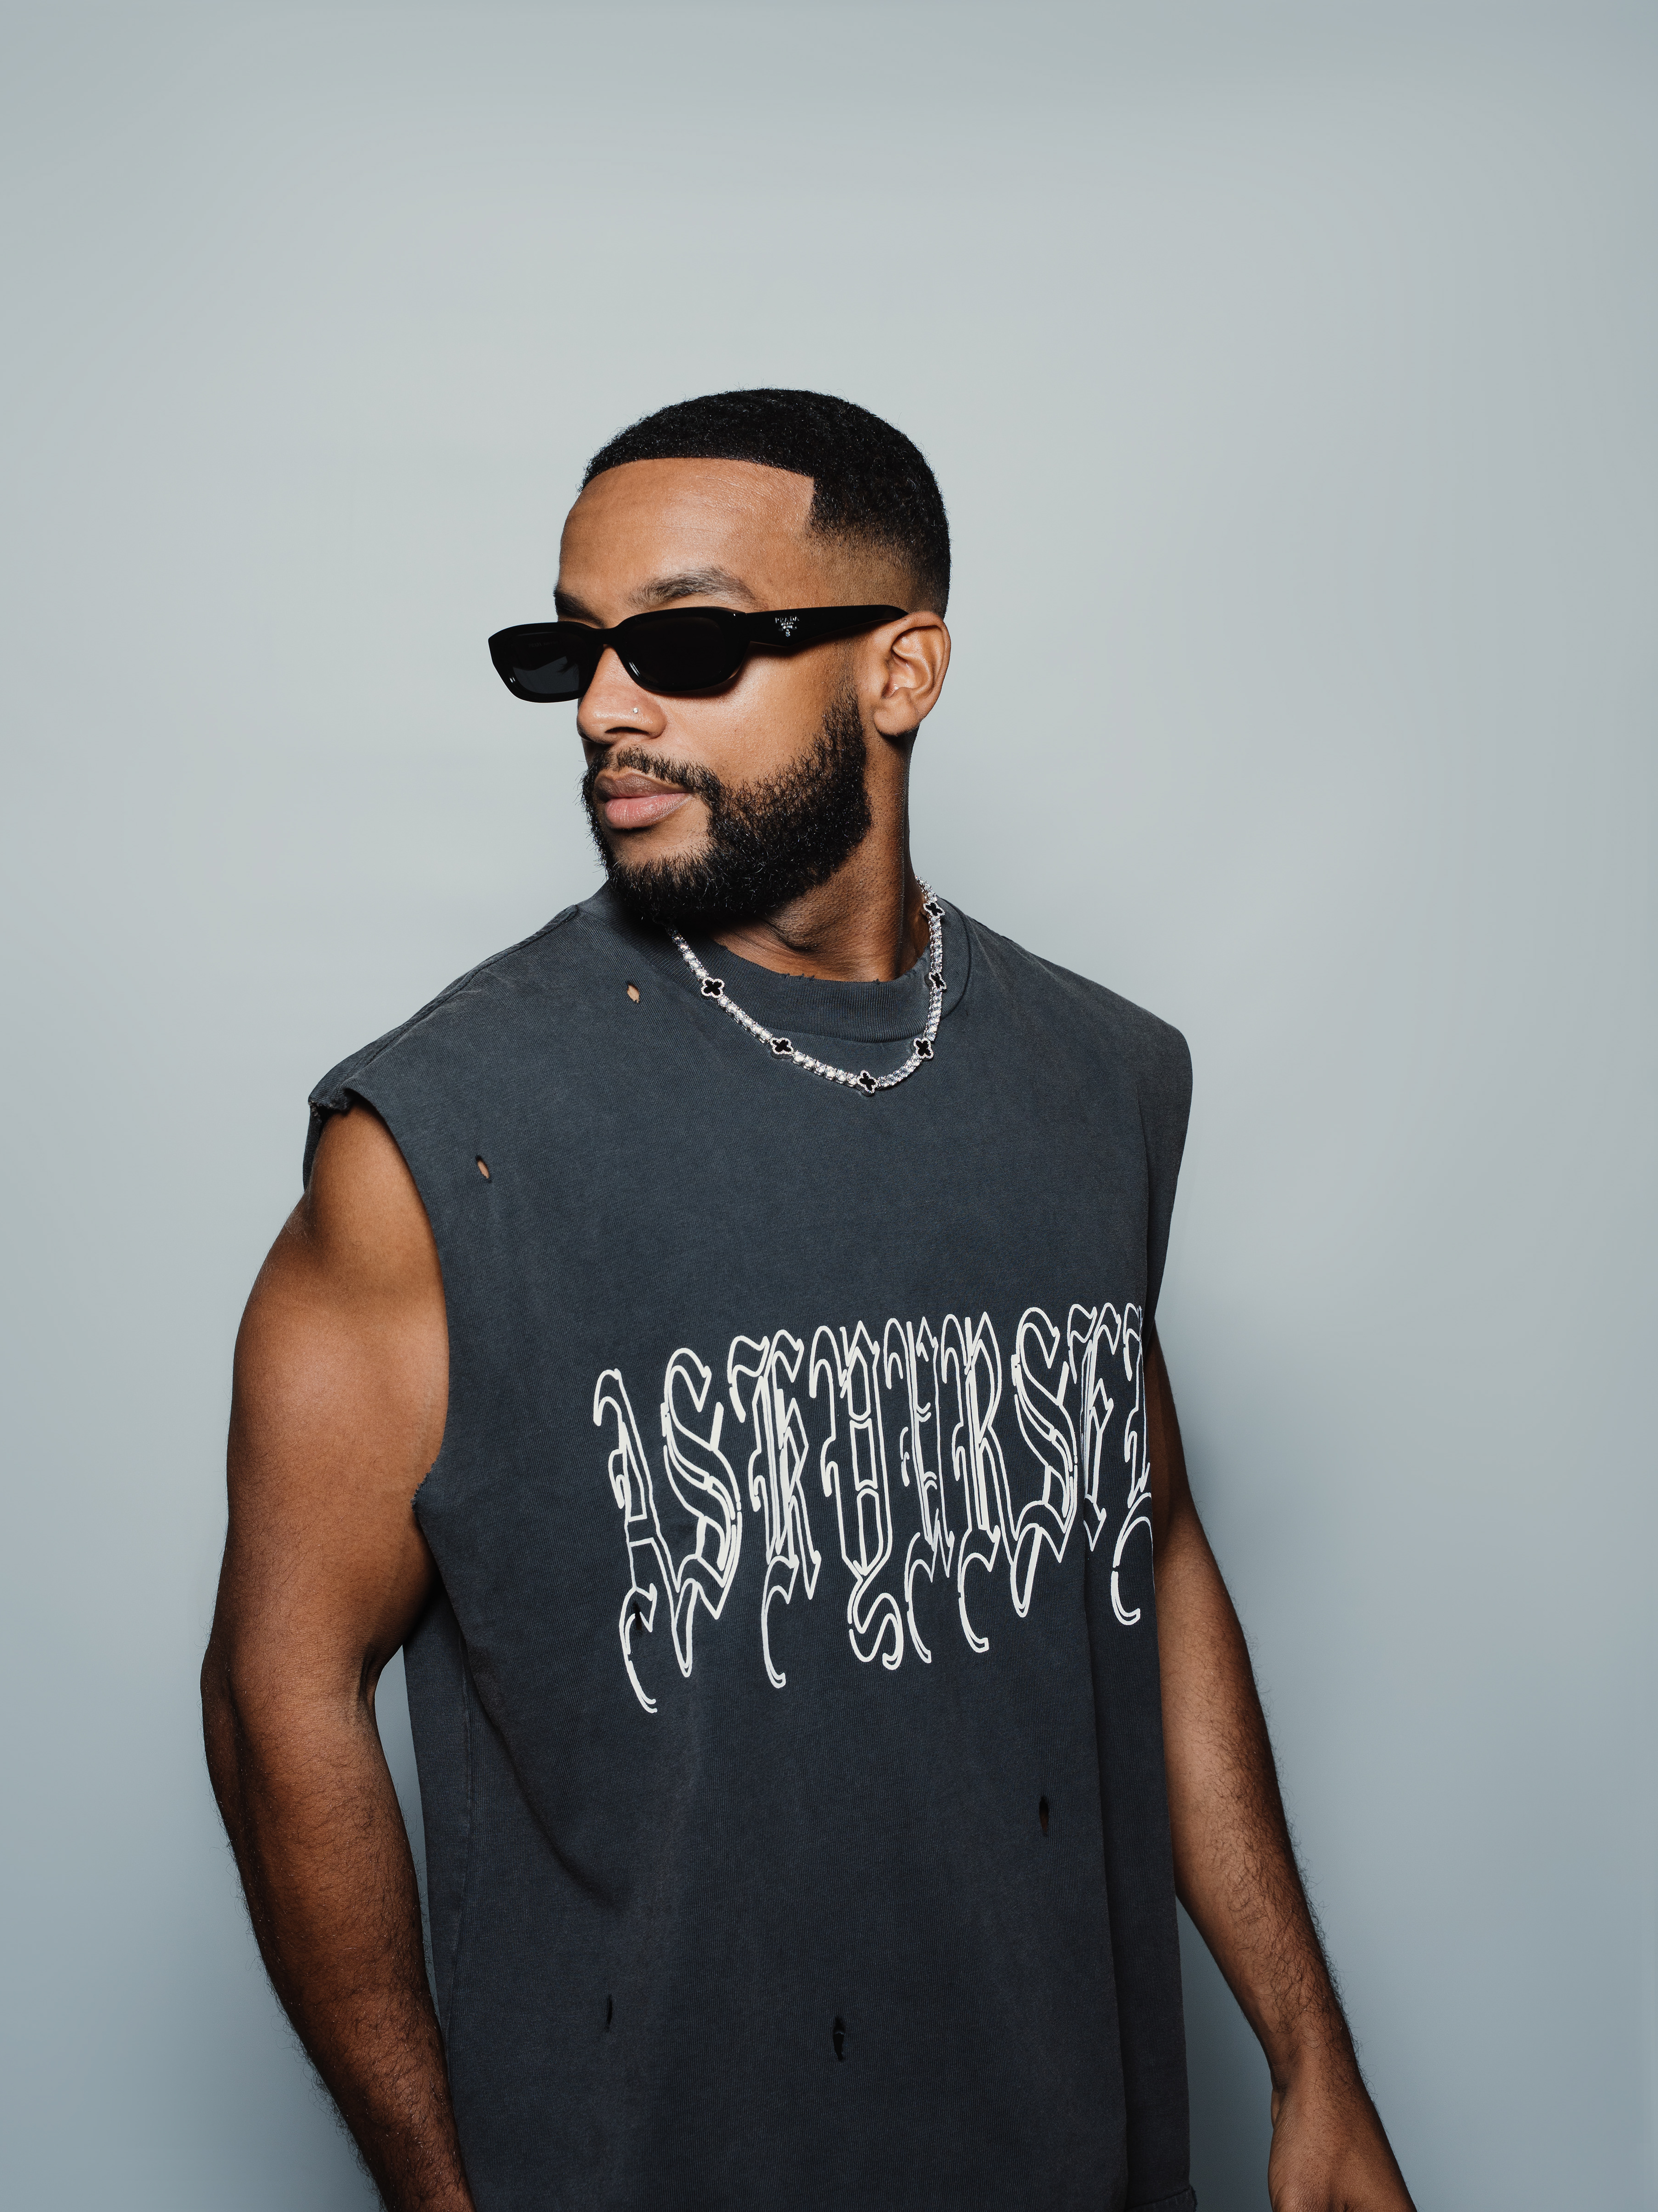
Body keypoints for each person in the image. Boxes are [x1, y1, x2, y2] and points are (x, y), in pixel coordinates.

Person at [201, 389, 1414, 2212]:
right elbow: (278, 1689)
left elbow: (1143, 1551)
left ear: (900, 671)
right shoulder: (440, 1142)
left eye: (685, 646)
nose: (608, 708)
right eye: (575, 651)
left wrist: (1312, 2056)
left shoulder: (1102, 1079)